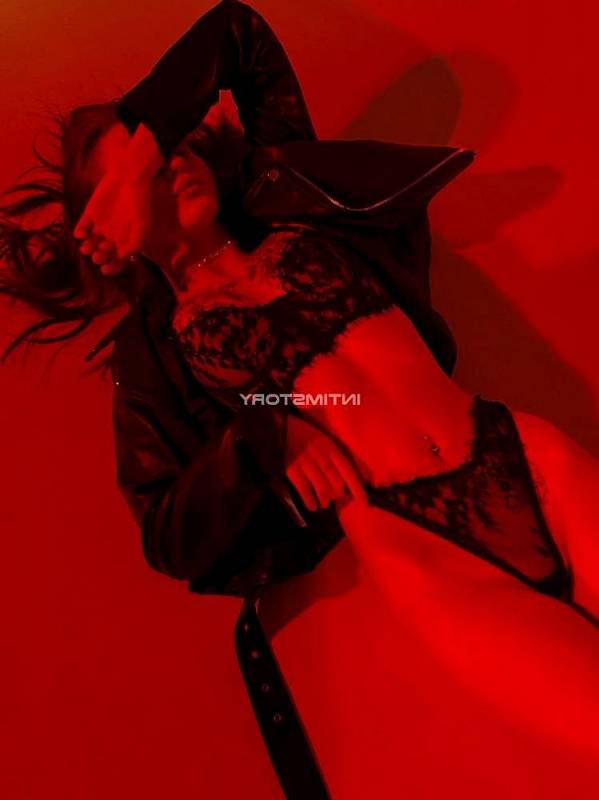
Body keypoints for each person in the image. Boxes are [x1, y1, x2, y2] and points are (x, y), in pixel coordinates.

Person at [2, 2, 599, 797]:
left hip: (523, 454)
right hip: (416, 542)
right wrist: (268, 432)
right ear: (111, 225)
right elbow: (167, 529)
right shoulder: (156, 350)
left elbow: (238, 32)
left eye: (169, 146)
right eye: (136, 178)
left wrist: (140, 153)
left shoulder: (298, 200)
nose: (172, 162)